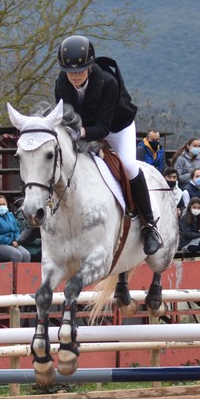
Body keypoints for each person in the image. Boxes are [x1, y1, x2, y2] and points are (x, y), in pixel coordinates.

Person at [54, 34, 162, 255]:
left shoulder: (107, 82)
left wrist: (82, 132)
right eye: (69, 72)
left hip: (116, 127)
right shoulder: (61, 84)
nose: (74, 76)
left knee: (130, 166)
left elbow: (103, 128)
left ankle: (149, 226)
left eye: (79, 70)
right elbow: (63, 117)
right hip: (82, 127)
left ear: (90, 67)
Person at [0, 194, 32, 262]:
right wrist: (10, 241)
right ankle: (12, 272)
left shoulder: (10, 215)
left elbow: (16, 230)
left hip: (13, 242)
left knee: (26, 254)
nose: (2, 206)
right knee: (16, 255)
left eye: (4, 204)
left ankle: (24, 272)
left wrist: (16, 240)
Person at [14, 198, 43, 262]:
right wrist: (40, 242)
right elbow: (22, 236)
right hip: (30, 247)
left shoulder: (43, 212)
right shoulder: (22, 213)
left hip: (42, 246)